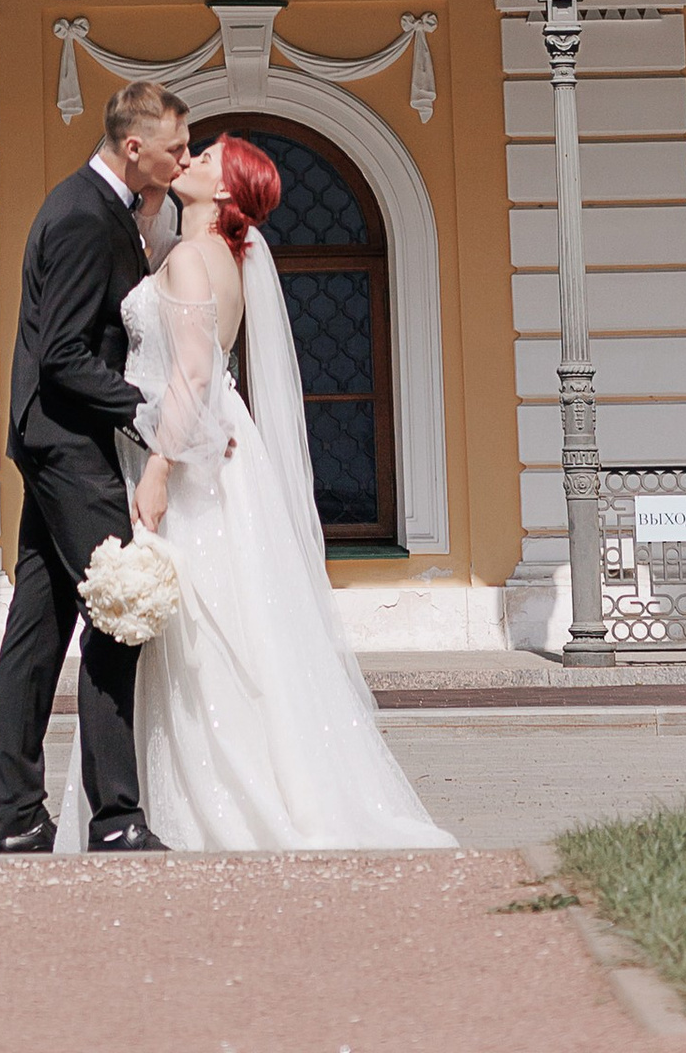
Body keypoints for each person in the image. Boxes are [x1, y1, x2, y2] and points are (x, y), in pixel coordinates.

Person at [57, 132, 455, 854]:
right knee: (222, 626)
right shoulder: (216, 255)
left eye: (206, 160)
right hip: (214, 450)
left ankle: (203, 798)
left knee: (198, 632)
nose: (192, 161)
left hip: (185, 454)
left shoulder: (190, 256)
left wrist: (157, 469)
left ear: (228, 193)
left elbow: (195, 376)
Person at [0, 77, 192, 852]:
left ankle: (14, 820)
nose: (183, 159)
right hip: (69, 446)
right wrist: (142, 408)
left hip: (54, 441)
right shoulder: (80, 216)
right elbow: (65, 356)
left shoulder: (101, 207)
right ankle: (115, 819)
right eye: (174, 148)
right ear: (133, 146)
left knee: (37, 631)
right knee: (120, 613)